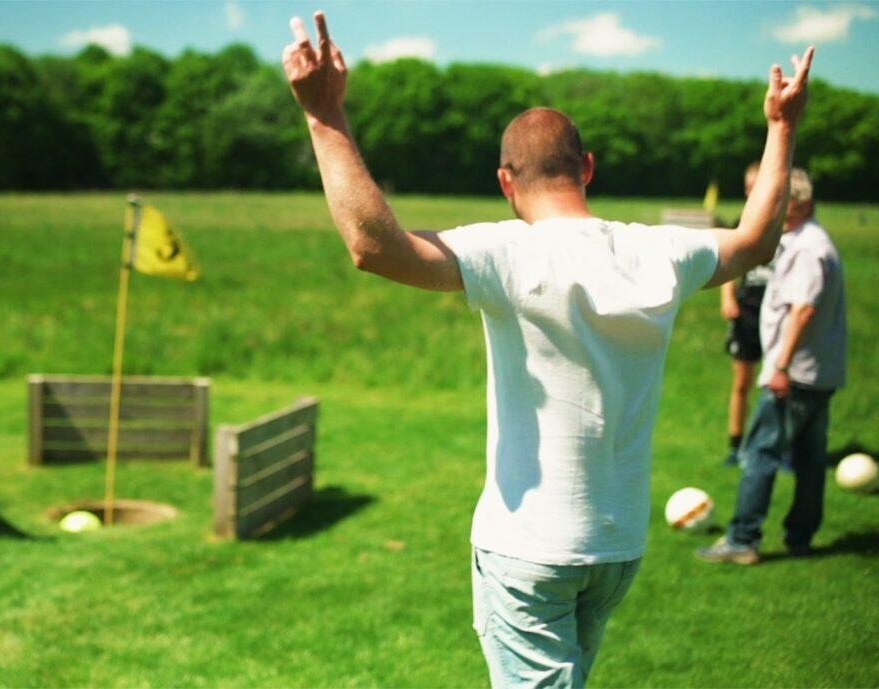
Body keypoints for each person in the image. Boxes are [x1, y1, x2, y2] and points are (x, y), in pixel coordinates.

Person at [282, 12, 813, 687]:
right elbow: (758, 240)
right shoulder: (661, 251)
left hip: (530, 549)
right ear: (587, 167)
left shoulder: (507, 250)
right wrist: (782, 126)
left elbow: (373, 247)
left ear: (505, 182)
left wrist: (324, 114)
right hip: (616, 549)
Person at [697, 168, 846, 565]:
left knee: (760, 453)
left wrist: (780, 366)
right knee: (810, 460)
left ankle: (743, 539)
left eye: (781, 200)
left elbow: (803, 310)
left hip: (795, 374)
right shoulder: (808, 241)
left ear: (800, 203)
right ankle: (800, 537)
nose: (772, 207)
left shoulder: (807, 249)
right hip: (817, 372)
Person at [720, 162, 774, 466]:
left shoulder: (784, 223)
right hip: (748, 311)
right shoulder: (741, 223)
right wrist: (727, 298)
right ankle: (736, 444)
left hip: (778, 311)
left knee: (778, 383)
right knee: (742, 382)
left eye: (756, 187)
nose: (751, 193)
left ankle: (775, 445)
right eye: (747, 188)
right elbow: (729, 263)